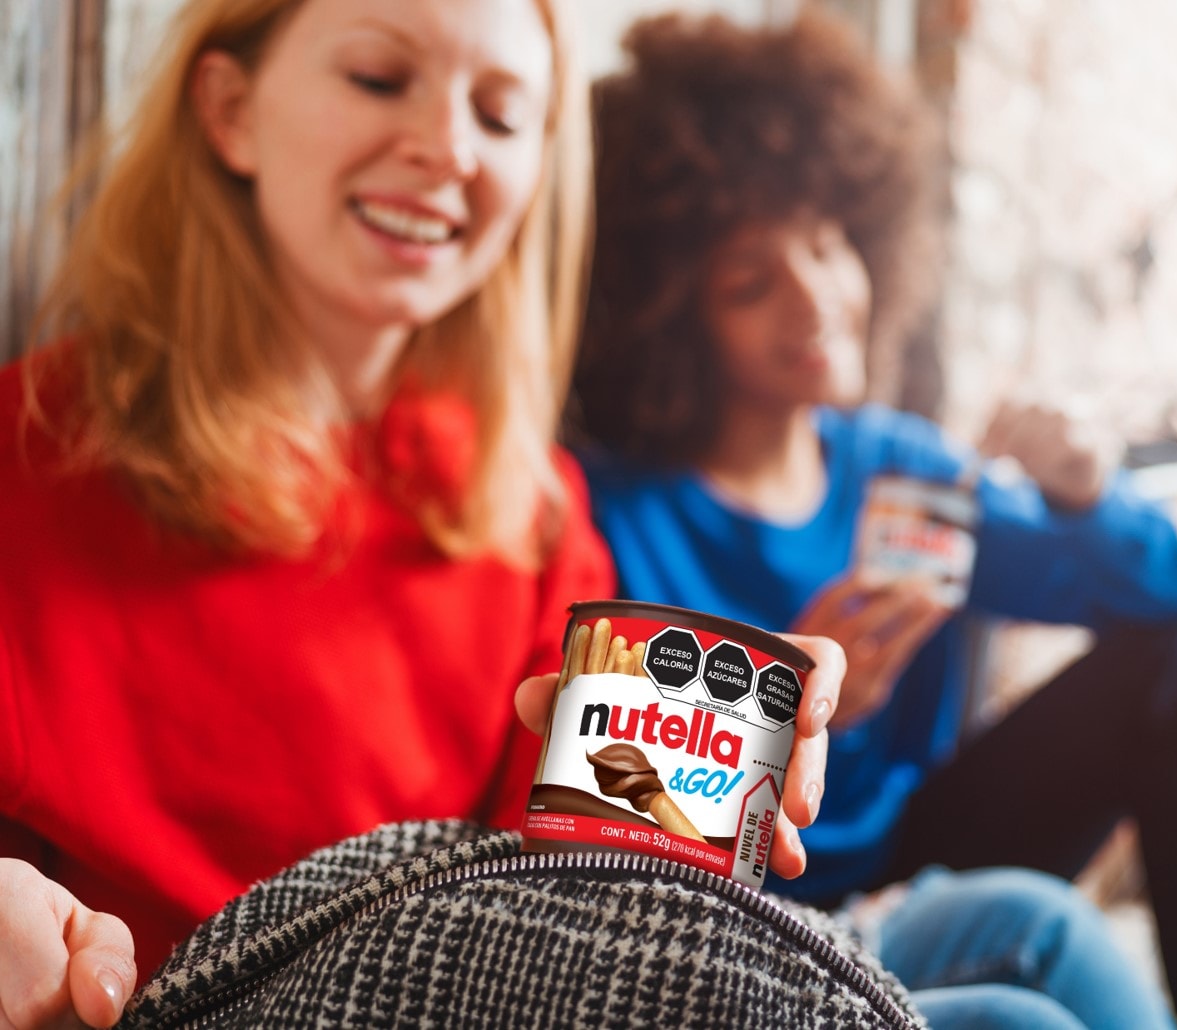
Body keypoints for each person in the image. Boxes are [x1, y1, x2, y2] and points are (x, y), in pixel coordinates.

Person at [0, 3, 843, 1027]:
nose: (447, 149)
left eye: (498, 115)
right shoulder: (30, 456)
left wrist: (719, 776)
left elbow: (574, 910)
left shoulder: (525, 502)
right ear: (229, 112)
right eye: (377, 79)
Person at [571, 11, 1177, 1030]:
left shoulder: (901, 468)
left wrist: (1085, 489)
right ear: (670, 317)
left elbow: (1163, 604)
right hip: (755, 910)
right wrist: (800, 712)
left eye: (825, 244)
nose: (814, 299)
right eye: (748, 284)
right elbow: (617, 831)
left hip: (926, 859)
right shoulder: (614, 515)